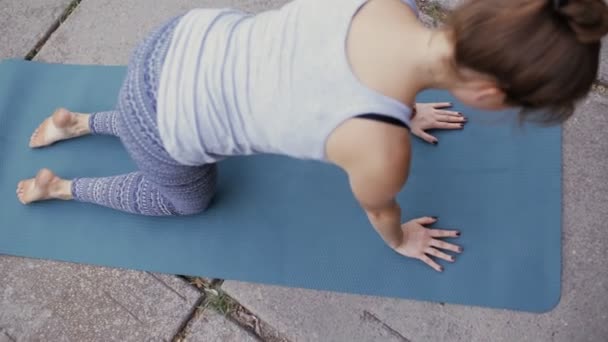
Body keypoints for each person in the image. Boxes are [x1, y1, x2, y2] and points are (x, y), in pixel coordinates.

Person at [16, 0, 608, 271]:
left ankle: (80, 121)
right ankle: (62, 188)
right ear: (491, 96)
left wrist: (405, 110)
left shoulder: (390, 7)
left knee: (161, 113)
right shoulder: (381, 150)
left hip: (176, 42)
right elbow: (380, 211)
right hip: (165, 118)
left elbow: (354, 69)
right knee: (185, 198)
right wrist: (400, 239)